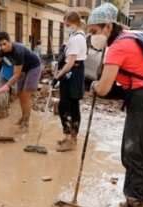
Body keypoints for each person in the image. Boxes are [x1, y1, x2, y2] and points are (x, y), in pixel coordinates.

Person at [87, 3, 143, 207]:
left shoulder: (118, 47)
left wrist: (94, 85)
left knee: (134, 156)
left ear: (108, 26)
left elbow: (103, 88)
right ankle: (139, 199)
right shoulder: (129, 38)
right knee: (134, 153)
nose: (92, 36)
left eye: (94, 31)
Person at [0, 31, 42, 128]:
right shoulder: (2, 50)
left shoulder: (18, 51)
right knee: (19, 94)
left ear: (10, 41)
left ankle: (26, 120)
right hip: (22, 69)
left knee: (26, 95)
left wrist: (5, 87)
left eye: (4, 44)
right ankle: (23, 116)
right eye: (0, 45)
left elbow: (16, 75)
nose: (3, 47)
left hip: (33, 67)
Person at [53, 11, 87, 152]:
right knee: (67, 106)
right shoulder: (75, 36)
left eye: (65, 24)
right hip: (72, 73)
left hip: (73, 73)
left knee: (69, 107)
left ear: (71, 22)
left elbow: (71, 63)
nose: (65, 26)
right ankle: (69, 138)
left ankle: (71, 140)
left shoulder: (77, 38)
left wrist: (58, 76)